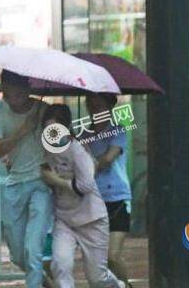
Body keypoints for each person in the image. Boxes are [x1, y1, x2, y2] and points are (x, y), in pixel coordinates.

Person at [41, 104, 124, 288]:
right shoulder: (45, 150)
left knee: (97, 278)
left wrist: (57, 180)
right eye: (47, 130)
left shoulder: (78, 149)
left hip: (92, 220)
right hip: (65, 220)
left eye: (55, 130)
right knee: (61, 265)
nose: (51, 135)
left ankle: (118, 285)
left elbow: (86, 185)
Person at [0, 70, 52, 288]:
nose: (13, 100)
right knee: (18, 253)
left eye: (18, 94)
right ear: (2, 90)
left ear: (28, 90)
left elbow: (59, 141)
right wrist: (24, 130)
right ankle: (47, 282)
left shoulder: (43, 110)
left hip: (41, 184)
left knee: (33, 249)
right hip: (14, 184)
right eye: (8, 94)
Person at [83, 93, 132, 286]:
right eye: (91, 106)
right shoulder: (84, 135)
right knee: (98, 259)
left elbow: (108, 159)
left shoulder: (118, 131)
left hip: (118, 198)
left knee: (113, 255)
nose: (95, 110)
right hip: (93, 200)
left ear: (110, 107)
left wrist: (87, 168)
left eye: (99, 106)